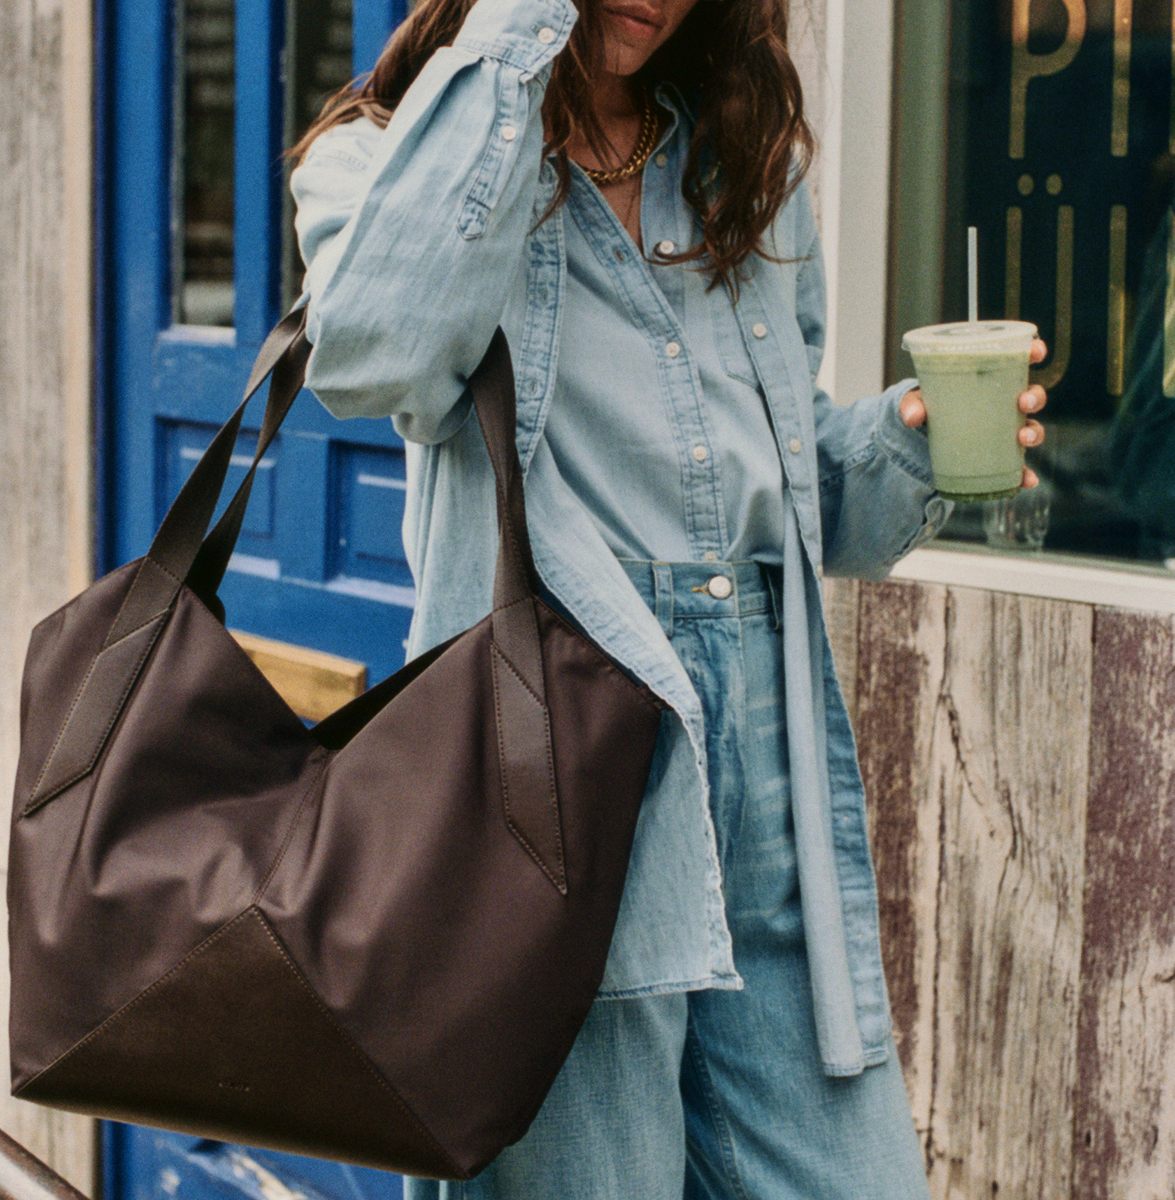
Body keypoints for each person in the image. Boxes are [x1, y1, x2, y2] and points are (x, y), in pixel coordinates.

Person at [289, 0, 1048, 1194]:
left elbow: (791, 483)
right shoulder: (382, 159)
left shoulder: (738, 157)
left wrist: (907, 439)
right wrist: (517, 38)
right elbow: (378, 353)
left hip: (761, 728)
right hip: (557, 750)